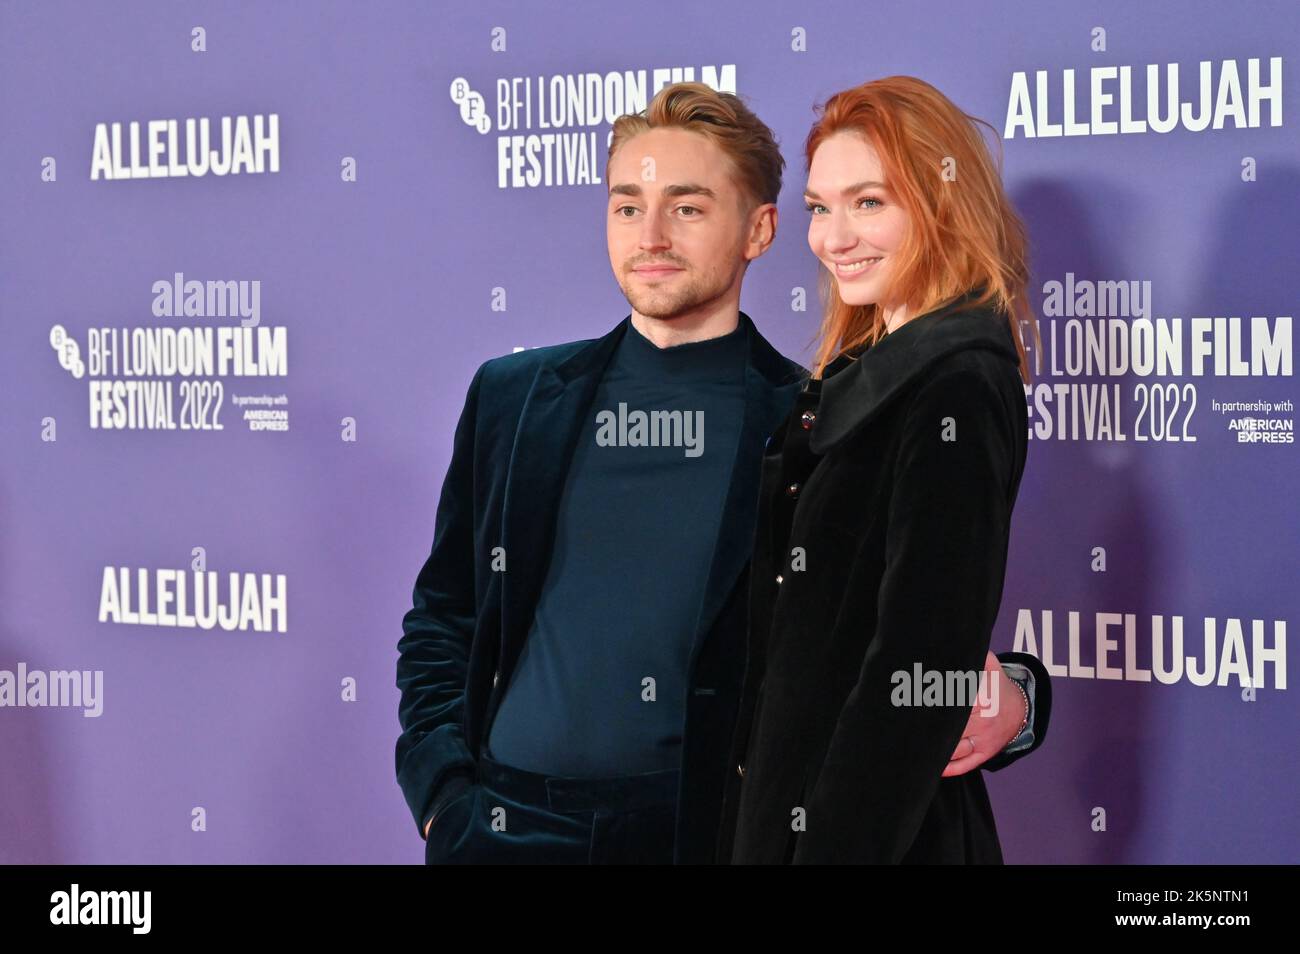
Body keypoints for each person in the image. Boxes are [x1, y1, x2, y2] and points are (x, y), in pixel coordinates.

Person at [396, 81, 1050, 865]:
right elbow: (444, 617)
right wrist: (444, 799)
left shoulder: (813, 419)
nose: (652, 235)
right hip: (504, 831)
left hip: (703, 833)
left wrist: (1019, 695)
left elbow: (868, 641)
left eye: (689, 206)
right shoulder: (513, 399)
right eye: (627, 205)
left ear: (758, 229)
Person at [721, 76, 1043, 864]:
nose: (835, 237)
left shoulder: (956, 382)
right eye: (821, 208)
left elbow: (913, 672)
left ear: (941, 203)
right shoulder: (860, 372)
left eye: (869, 202)